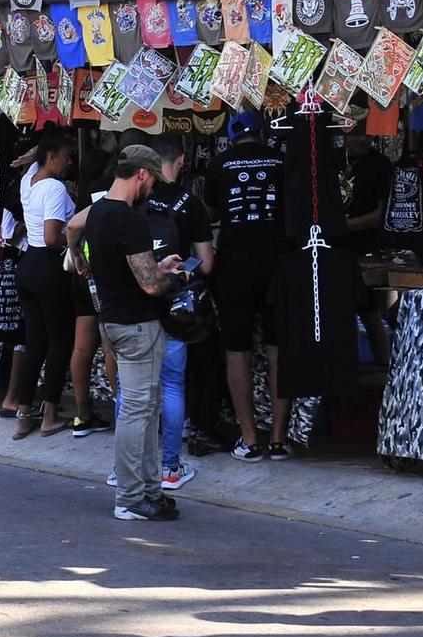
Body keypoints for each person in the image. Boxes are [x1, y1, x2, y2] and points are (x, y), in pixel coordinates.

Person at [80, 144, 189, 522]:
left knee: (144, 407)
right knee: (137, 411)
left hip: (114, 320)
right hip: (137, 324)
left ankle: (148, 491)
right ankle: (130, 497)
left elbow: (75, 234)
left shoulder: (97, 214)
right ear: (141, 174)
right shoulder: (129, 219)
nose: (154, 189)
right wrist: (173, 276)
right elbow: (150, 286)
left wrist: (157, 266)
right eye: (153, 180)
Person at [206, 113, 289, 462]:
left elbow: (212, 212)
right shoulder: (283, 161)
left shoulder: (218, 164)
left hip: (233, 264)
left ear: (233, 136)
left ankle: (250, 438)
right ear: (262, 134)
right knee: (277, 349)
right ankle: (280, 440)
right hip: (278, 263)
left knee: (236, 350)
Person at [145, 136, 212, 488]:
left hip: (135, 307)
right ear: (181, 161)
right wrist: (179, 272)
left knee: (133, 392)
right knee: (172, 385)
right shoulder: (192, 206)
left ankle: (127, 468)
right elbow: (207, 262)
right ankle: (170, 468)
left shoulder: (134, 200)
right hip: (174, 309)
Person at [7, 128, 78, 441]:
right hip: (49, 269)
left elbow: (34, 161)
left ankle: (24, 413)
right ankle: (49, 413)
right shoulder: (54, 187)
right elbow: (52, 238)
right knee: (59, 340)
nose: (69, 162)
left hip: (28, 267)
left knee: (34, 342)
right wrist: (74, 241)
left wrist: (31, 155)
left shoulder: (29, 181)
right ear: (51, 157)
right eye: (65, 156)